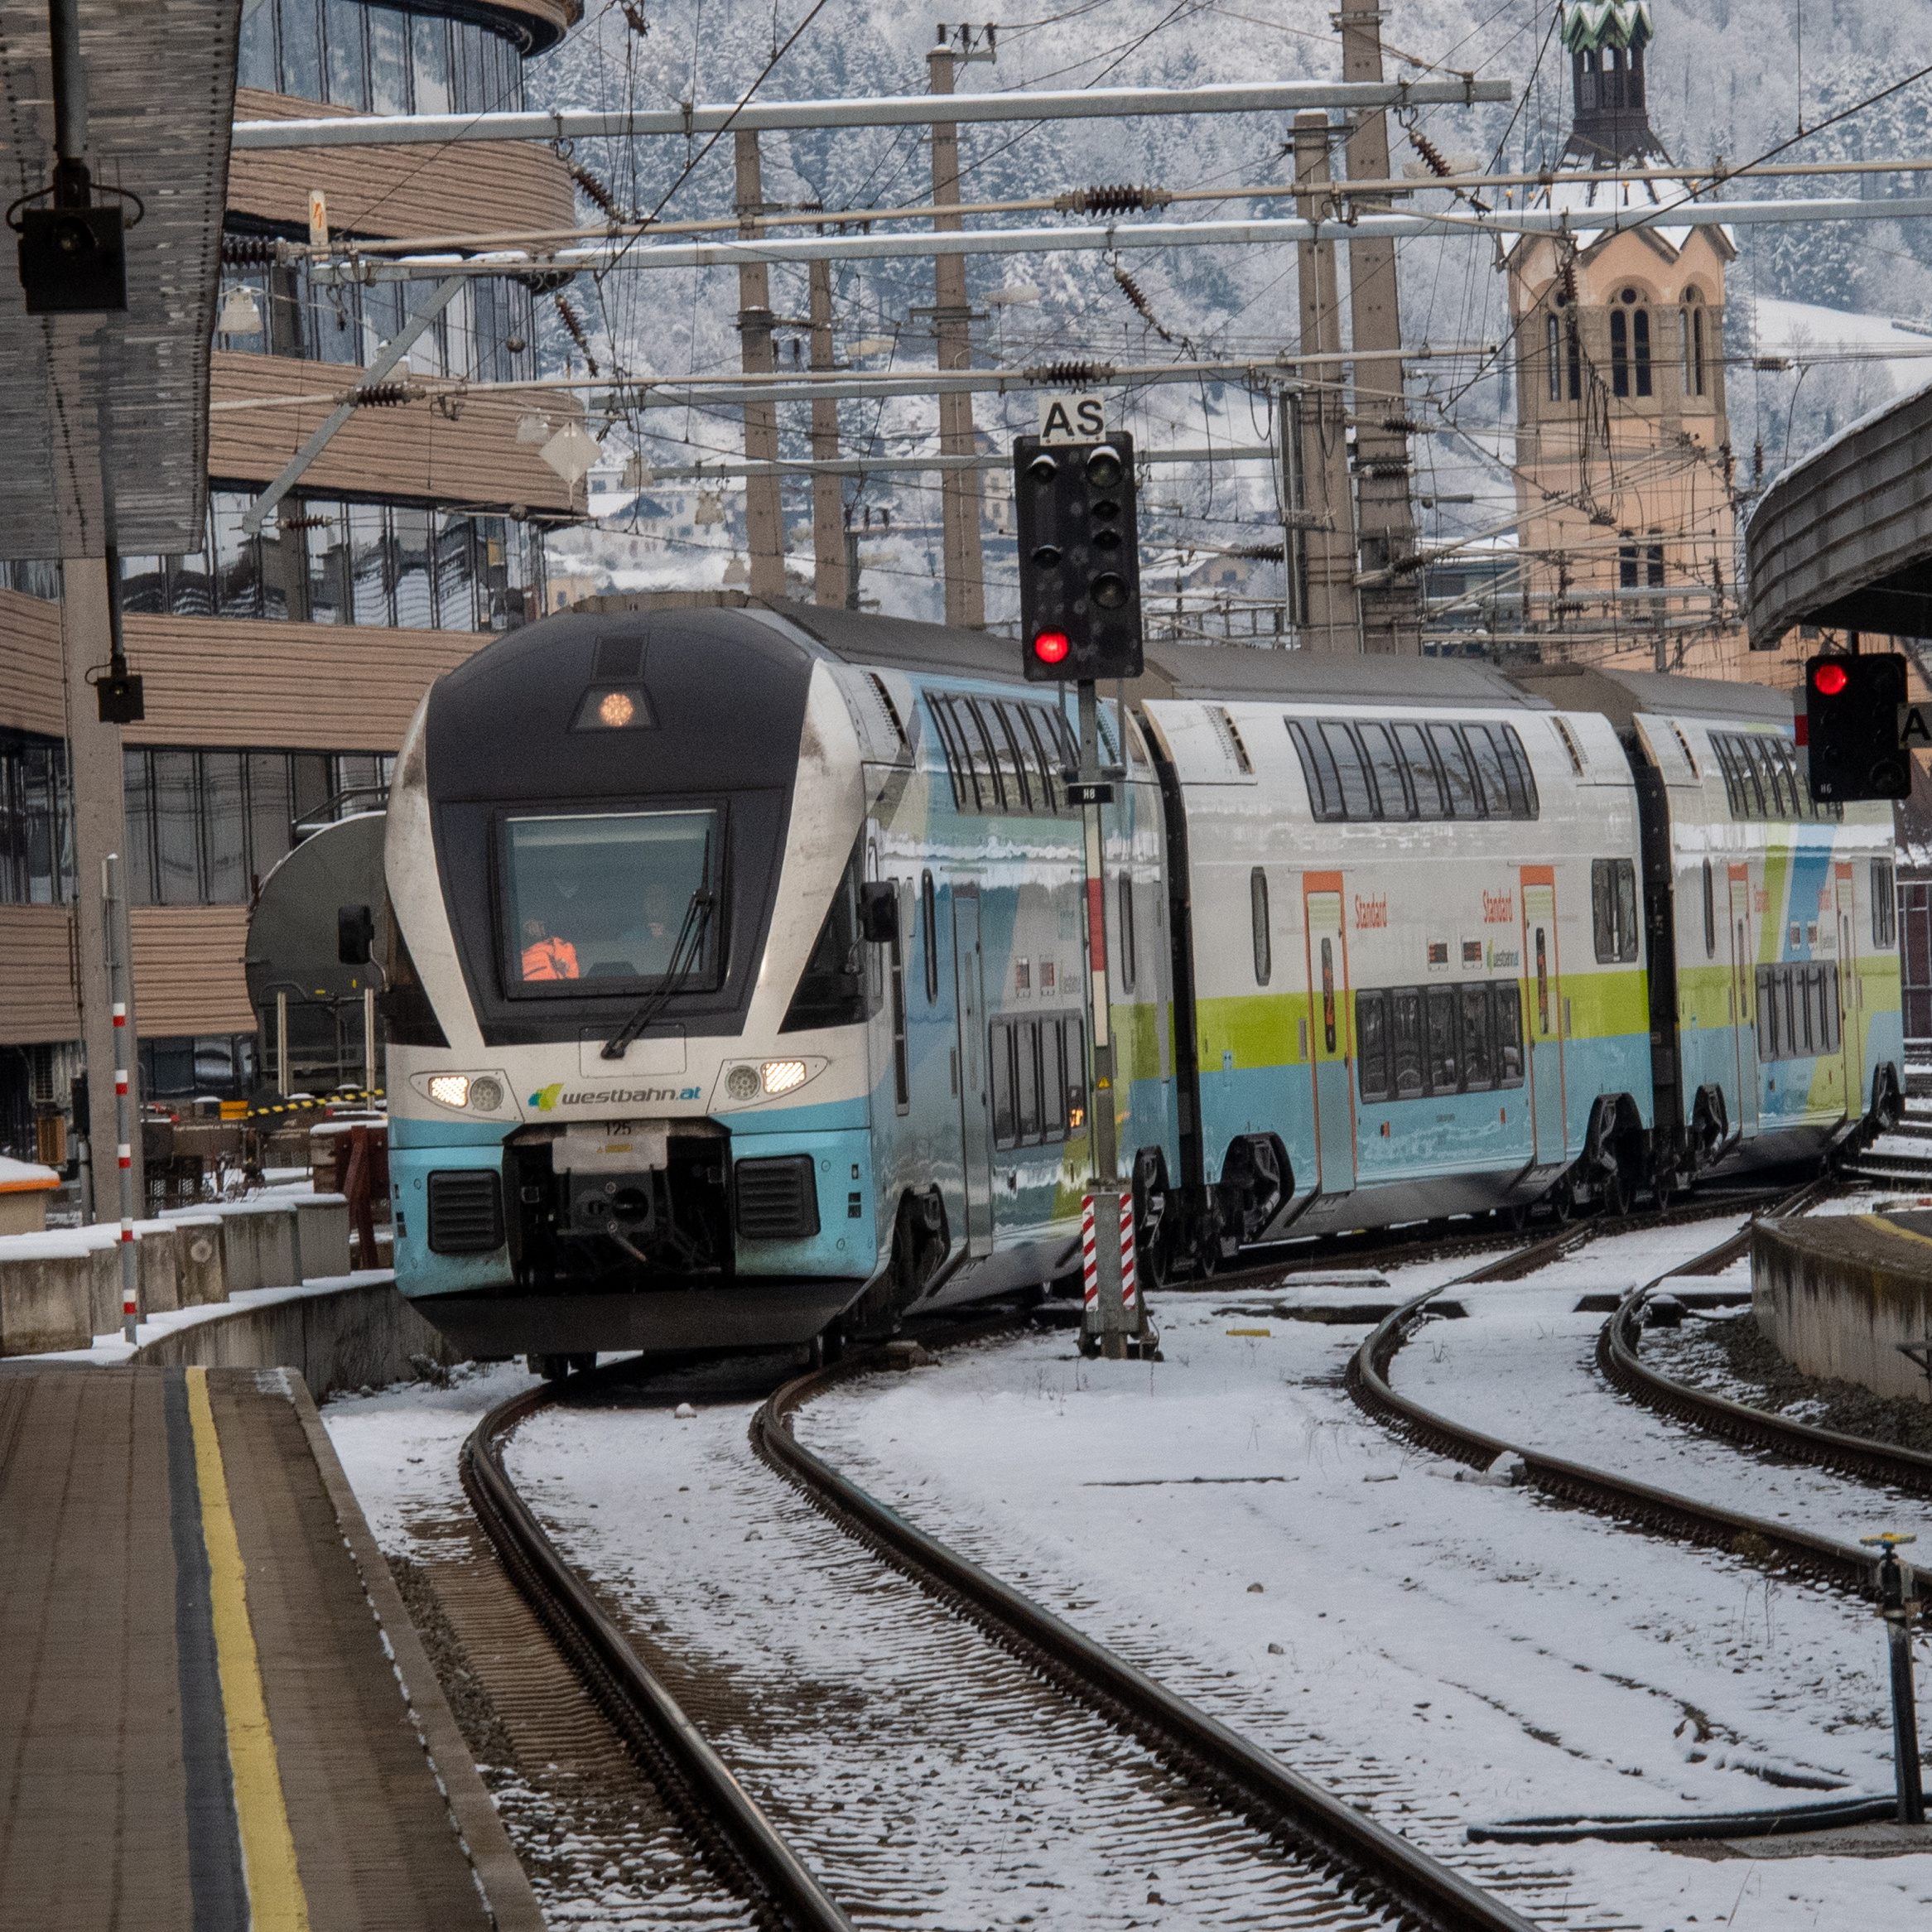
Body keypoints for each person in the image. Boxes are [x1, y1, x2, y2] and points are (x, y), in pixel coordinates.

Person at [521, 917, 579, 981]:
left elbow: (571, 975)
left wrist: (563, 967)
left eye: (541, 924)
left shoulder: (562, 946)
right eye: (528, 925)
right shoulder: (517, 955)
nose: (533, 928)